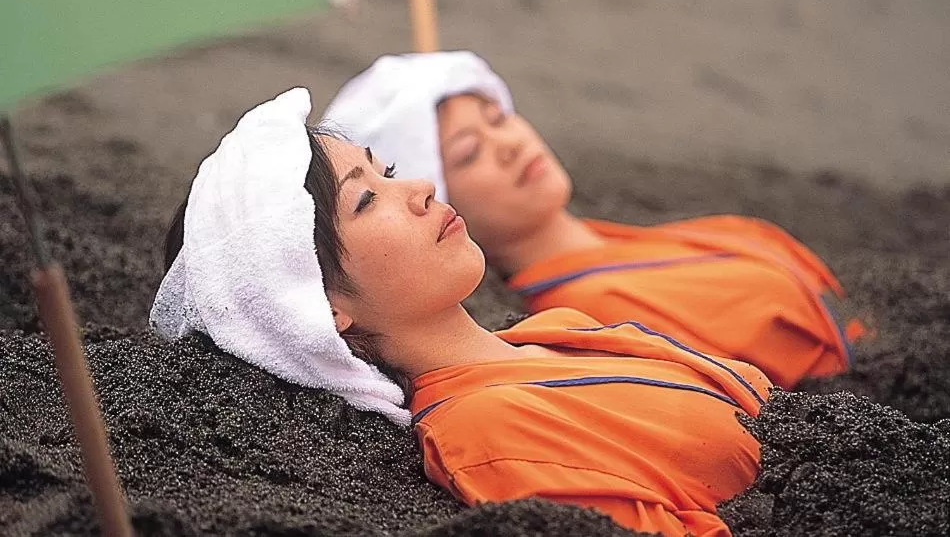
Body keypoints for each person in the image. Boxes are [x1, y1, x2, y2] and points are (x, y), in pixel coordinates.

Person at [152, 88, 771, 536]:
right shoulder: (484, 431)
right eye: (367, 200)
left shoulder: (555, 329)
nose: (420, 188)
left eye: (388, 171)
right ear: (318, 303)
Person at [320, 51, 867, 389]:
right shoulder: (590, 315)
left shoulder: (681, 232)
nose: (508, 145)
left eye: (498, 117)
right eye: (467, 153)